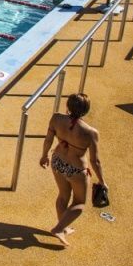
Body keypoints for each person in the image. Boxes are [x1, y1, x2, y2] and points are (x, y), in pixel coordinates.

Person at [40, 93, 106, 246]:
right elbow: (94, 161)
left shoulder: (56, 118)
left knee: (63, 196)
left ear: (67, 106)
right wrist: (102, 181)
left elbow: (48, 139)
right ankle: (58, 228)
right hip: (76, 170)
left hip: (57, 162)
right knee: (79, 203)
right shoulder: (91, 132)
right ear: (86, 110)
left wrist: (44, 156)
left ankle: (63, 227)